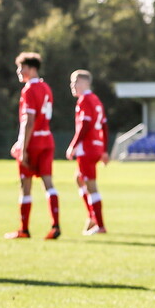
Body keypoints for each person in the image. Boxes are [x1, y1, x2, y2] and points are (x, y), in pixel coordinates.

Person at [6, 52, 61, 240]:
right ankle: (55, 225)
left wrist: (22, 146)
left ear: (32, 69)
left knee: (25, 185)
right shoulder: (47, 88)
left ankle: (24, 229)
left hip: (33, 143)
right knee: (49, 184)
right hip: (47, 139)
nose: (19, 71)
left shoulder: (29, 90)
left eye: (22, 68)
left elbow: (28, 121)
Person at [66, 69, 109, 235]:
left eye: (75, 82)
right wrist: (104, 150)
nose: (72, 85)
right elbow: (104, 126)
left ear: (84, 83)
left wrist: (73, 145)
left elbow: (85, 125)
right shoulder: (96, 100)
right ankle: (92, 216)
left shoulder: (84, 100)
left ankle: (99, 224)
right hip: (97, 146)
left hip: (87, 148)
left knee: (91, 186)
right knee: (79, 178)